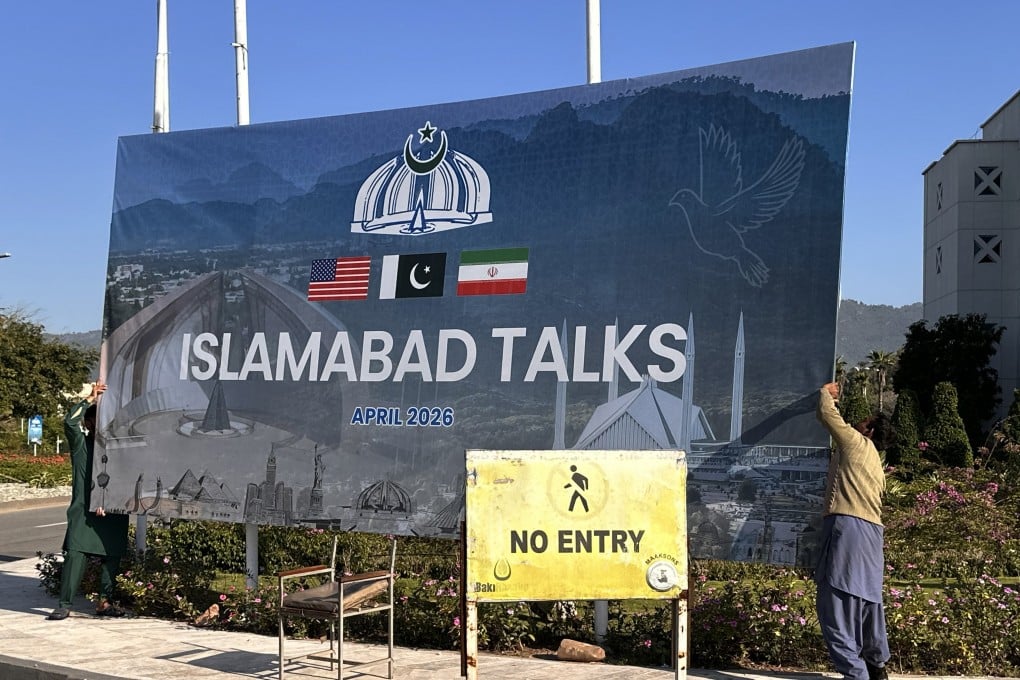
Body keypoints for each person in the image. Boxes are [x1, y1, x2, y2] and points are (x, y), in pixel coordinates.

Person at [814, 381, 896, 680]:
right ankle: (876, 665)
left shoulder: (855, 442)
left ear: (869, 430)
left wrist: (827, 394)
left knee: (835, 603)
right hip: (872, 534)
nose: (857, 421)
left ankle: (855, 672)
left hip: (847, 528)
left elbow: (827, 415)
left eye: (864, 420)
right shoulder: (876, 461)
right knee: (867, 602)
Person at [48, 381, 130, 620]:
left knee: (112, 554)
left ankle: (104, 603)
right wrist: (89, 399)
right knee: (75, 554)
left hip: (112, 509)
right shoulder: (81, 447)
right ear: (90, 423)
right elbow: (69, 422)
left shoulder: (119, 449)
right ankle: (65, 603)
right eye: (99, 421)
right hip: (84, 511)